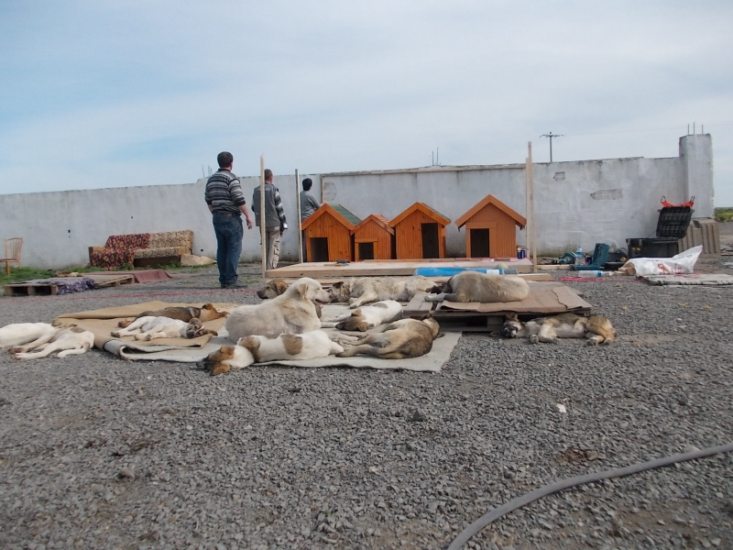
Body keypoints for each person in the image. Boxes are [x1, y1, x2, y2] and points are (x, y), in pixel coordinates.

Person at [204, 151, 254, 288]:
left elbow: (208, 199)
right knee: (234, 248)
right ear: (231, 163)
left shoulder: (211, 179)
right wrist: (248, 216)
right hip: (231, 217)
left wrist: (214, 212)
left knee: (222, 248)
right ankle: (231, 280)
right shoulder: (231, 178)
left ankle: (223, 279)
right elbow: (238, 198)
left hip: (217, 217)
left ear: (218, 162)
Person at [252, 168, 287, 269]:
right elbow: (279, 208)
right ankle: (270, 268)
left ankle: (265, 268)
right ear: (271, 177)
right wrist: (284, 224)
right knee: (274, 246)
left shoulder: (256, 190)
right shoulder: (274, 189)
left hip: (262, 223)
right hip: (274, 223)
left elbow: (253, 207)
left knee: (265, 246)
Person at [299, 177, 320, 262]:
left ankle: (303, 257)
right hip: (309, 219)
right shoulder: (310, 195)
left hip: (301, 219)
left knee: (303, 239)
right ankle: (310, 257)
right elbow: (318, 207)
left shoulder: (299, 195)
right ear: (310, 186)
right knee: (310, 239)